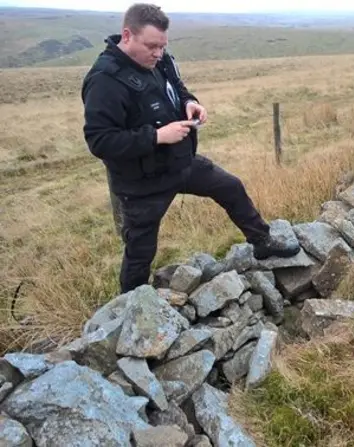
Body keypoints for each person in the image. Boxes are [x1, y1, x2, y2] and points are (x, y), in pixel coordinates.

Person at [81, 3, 299, 294]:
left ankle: (262, 243)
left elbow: (176, 88)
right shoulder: (104, 81)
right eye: (151, 46)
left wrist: (189, 103)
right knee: (141, 250)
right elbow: (100, 140)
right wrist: (157, 136)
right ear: (127, 35)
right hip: (141, 183)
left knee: (231, 187)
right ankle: (131, 306)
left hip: (180, 163)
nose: (158, 54)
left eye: (162, 46)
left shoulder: (161, 60)